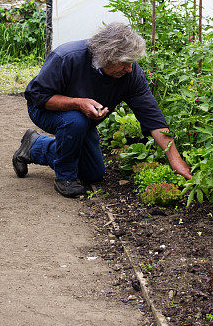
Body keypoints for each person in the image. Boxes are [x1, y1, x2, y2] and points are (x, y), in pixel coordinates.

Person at [12, 22, 192, 198]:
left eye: (132, 62)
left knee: (93, 174)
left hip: (83, 121)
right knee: (75, 120)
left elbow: (152, 116)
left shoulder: (131, 74)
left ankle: (34, 146)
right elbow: (37, 96)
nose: (130, 69)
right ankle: (65, 178)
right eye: (125, 63)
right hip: (45, 109)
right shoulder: (67, 57)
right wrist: (78, 103)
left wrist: (175, 159)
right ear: (106, 57)